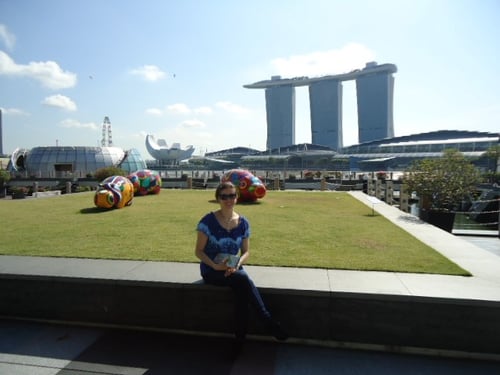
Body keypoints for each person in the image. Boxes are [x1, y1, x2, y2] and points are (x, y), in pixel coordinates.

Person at [194, 181, 288, 344]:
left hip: (233, 267)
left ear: (237, 197)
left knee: (241, 292)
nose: (229, 199)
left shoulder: (243, 223)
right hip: (212, 269)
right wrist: (216, 266)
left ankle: (239, 341)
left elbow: (246, 252)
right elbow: (198, 251)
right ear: (218, 199)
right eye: (224, 196)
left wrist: (236, 265)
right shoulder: (208, 221)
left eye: (232, 195)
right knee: (243, 280)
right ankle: (267, 321)